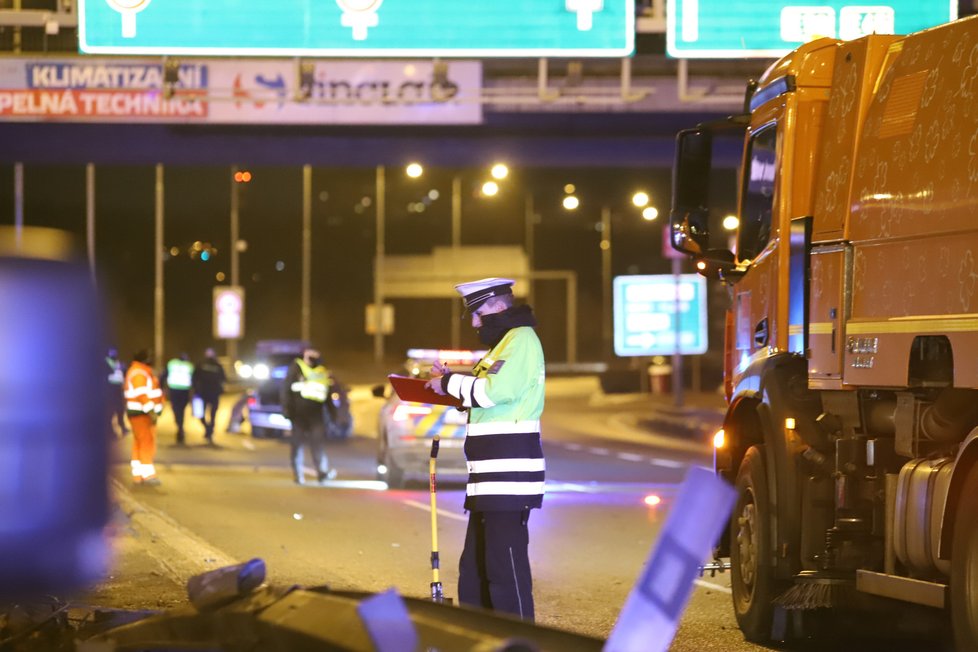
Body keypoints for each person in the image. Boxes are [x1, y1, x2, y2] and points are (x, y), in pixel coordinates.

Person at [425, 277, 546, 621]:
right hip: (489, 475)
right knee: (476, 568)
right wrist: (451, 384)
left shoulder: (521, 340)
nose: (475, 323)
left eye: (478, 313)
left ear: (496, 306)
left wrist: (450, 383)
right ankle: (478, 635)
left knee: (504, 569)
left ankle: (521, 641)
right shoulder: (504, 344)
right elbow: (482, 393)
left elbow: (494, 392)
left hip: (509, 475)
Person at [282, 347, 335, 485]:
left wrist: (333, 414)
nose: (313, 357)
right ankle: (298, 474)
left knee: (317, 445)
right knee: (297, 445)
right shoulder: (296, 369)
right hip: (298, 414)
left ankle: (322, 473)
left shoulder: (322, 371)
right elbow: (286, 390)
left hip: (316, 414)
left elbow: (327, 395)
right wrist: (287, 410)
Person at [124, 349, 164, 486]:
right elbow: (142, 394)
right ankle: (147, 476)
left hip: (140, 413)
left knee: (139, 443)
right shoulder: (139, 373)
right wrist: (151, 411)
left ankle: (138, 475)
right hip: (141, 414)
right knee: (147, 443)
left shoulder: (140, 371)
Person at [192, 347, 226, 444]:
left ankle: (208, 429)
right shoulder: (217, 366)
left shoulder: (201, 364)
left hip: (203, 393)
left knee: (202, 414)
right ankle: (209, 430)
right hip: (212, 394)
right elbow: (223, 379)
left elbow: (194, 378)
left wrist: (196, 390)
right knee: (211, 414)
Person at [162, 352, 194, 445]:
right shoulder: (189, 366)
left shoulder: (172, 364)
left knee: (176, 410)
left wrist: (162, 387)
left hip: (174, 391)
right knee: (181, 410)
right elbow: (194, 379)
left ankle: (179, 426)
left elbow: (164, 375)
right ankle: (180, 426)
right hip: (184, 392)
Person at [105, 347, 128, 437]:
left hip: (118, 388)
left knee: (120, 409)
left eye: (115, 351)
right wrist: (116, 368)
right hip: (109, 388)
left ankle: (122, 426)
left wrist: (123, 368)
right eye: (112, 351)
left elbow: (122, 373)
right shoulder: (105, 362)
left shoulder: (117, 362)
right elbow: (106, 372)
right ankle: (110, 431)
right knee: (110, 410)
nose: (114, 353)